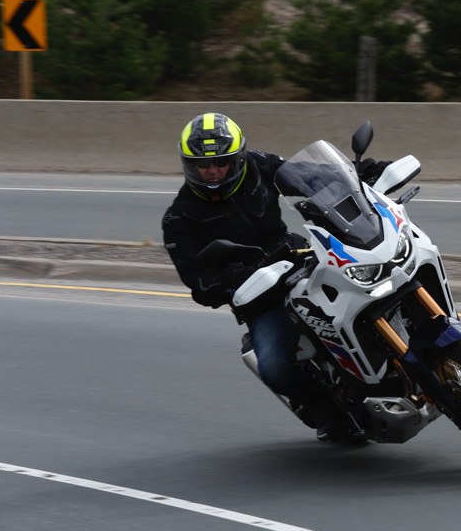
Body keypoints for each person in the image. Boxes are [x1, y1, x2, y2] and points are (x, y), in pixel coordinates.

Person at [161, 112, 387, 440]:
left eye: (221, 162)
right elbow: (197, 283)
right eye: (202, 165)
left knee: (373, 285)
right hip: (259, 295)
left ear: (237, 158)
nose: (212, 171)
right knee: (274, 365)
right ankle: (325, 410)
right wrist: (229, 277)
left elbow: (308, 175)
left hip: (298, 258)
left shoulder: (257, 165)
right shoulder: (179, 217)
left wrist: (360, 172)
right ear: (188, 165)